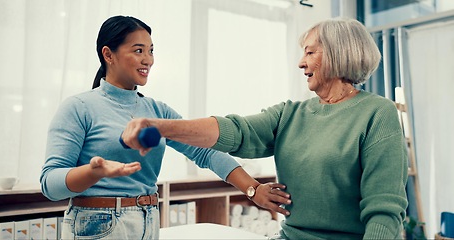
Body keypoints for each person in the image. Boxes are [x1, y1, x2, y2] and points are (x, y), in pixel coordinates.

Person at [121, 17, 409, 239]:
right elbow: (235, 130)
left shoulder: (377, 113)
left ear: (337, 53)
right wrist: (159, 127)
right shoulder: (290, 114)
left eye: (310, 52)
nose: (301, 62)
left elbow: (384, 211)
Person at [40, 15, 291, 240]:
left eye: (151, 51)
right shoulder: (79, 107)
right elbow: (50, 184)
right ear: (108, 55)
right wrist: (95, 171)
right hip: (96, 225)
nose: (148, 59)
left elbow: (205, 152)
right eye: (138, 50)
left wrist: (253, 189)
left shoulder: (157, 112)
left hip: (148, 221)